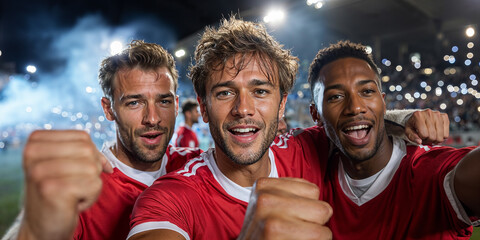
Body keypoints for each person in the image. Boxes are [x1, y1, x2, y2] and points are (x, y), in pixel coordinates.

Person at [126, 17, 450, 240]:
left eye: (260, 91)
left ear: (281, 105)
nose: (243, 109)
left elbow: (354, 118)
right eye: (225, 93)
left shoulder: (307, 149)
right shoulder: (168, 198)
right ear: (204, 107)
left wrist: (404, 117)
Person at [8, 40, 201, 240]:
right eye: (134, 102)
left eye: (163, 101)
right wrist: (35, 226)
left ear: (176, 105)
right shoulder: (82, 188)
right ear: (108, 109)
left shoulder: (197, 166)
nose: (152, 118)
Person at [305, 41, 479, 239]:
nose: (355, 107)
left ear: (383, 102)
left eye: (367, 91)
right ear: (315, 114)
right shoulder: (310, 175)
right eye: (335, 96)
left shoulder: (433, 172)